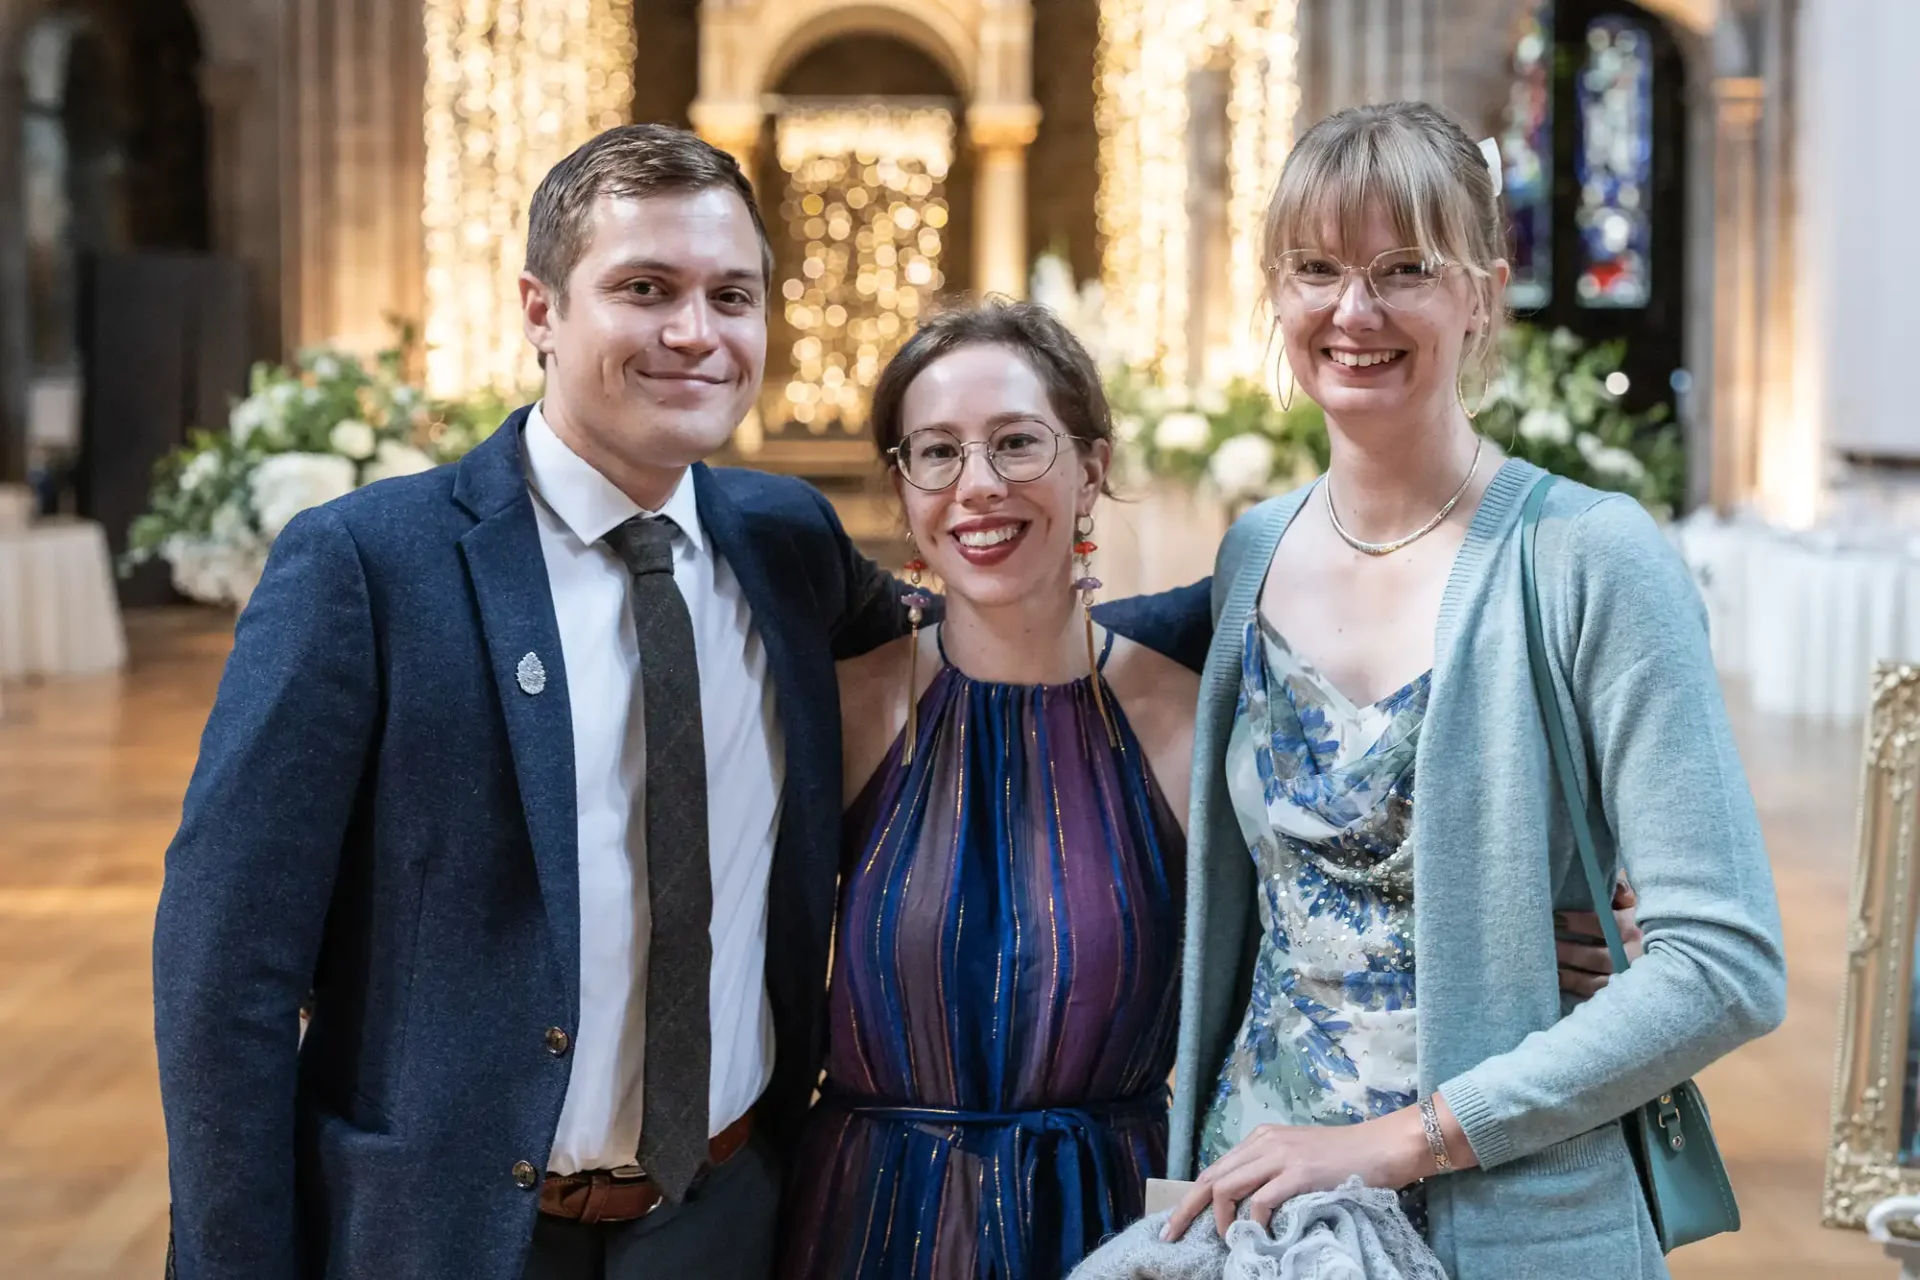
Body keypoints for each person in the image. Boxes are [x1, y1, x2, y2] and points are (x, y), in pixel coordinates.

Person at [154, 124, 915, 1280]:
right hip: (449, 1228)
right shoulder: (369, 566)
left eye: (732, 294)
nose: (695, 333)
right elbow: (225, 976)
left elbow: (984, 629)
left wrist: (1250, 595)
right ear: (542, 309)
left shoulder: (786, 542)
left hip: (725, 1213)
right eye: (645, 288)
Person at [1161, 101, 1786, 1277]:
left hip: (1504, 1206)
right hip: (1261, 1199)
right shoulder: (1252, 551)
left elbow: (1726, 965)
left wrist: (1402, 1141)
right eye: (1317, 269)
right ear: (1277, 292)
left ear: (1482, 292)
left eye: (1405, 268)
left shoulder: (1592, 556)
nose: (1354, 311)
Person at [775, 300, 1201, 1280]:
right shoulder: (842, 709)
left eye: (1017, 443)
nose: (977, 486)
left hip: (1115, 1221)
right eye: (937, 452)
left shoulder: (1182, 715)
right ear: (902, 485)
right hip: (872, 1222)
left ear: (1091, 466)